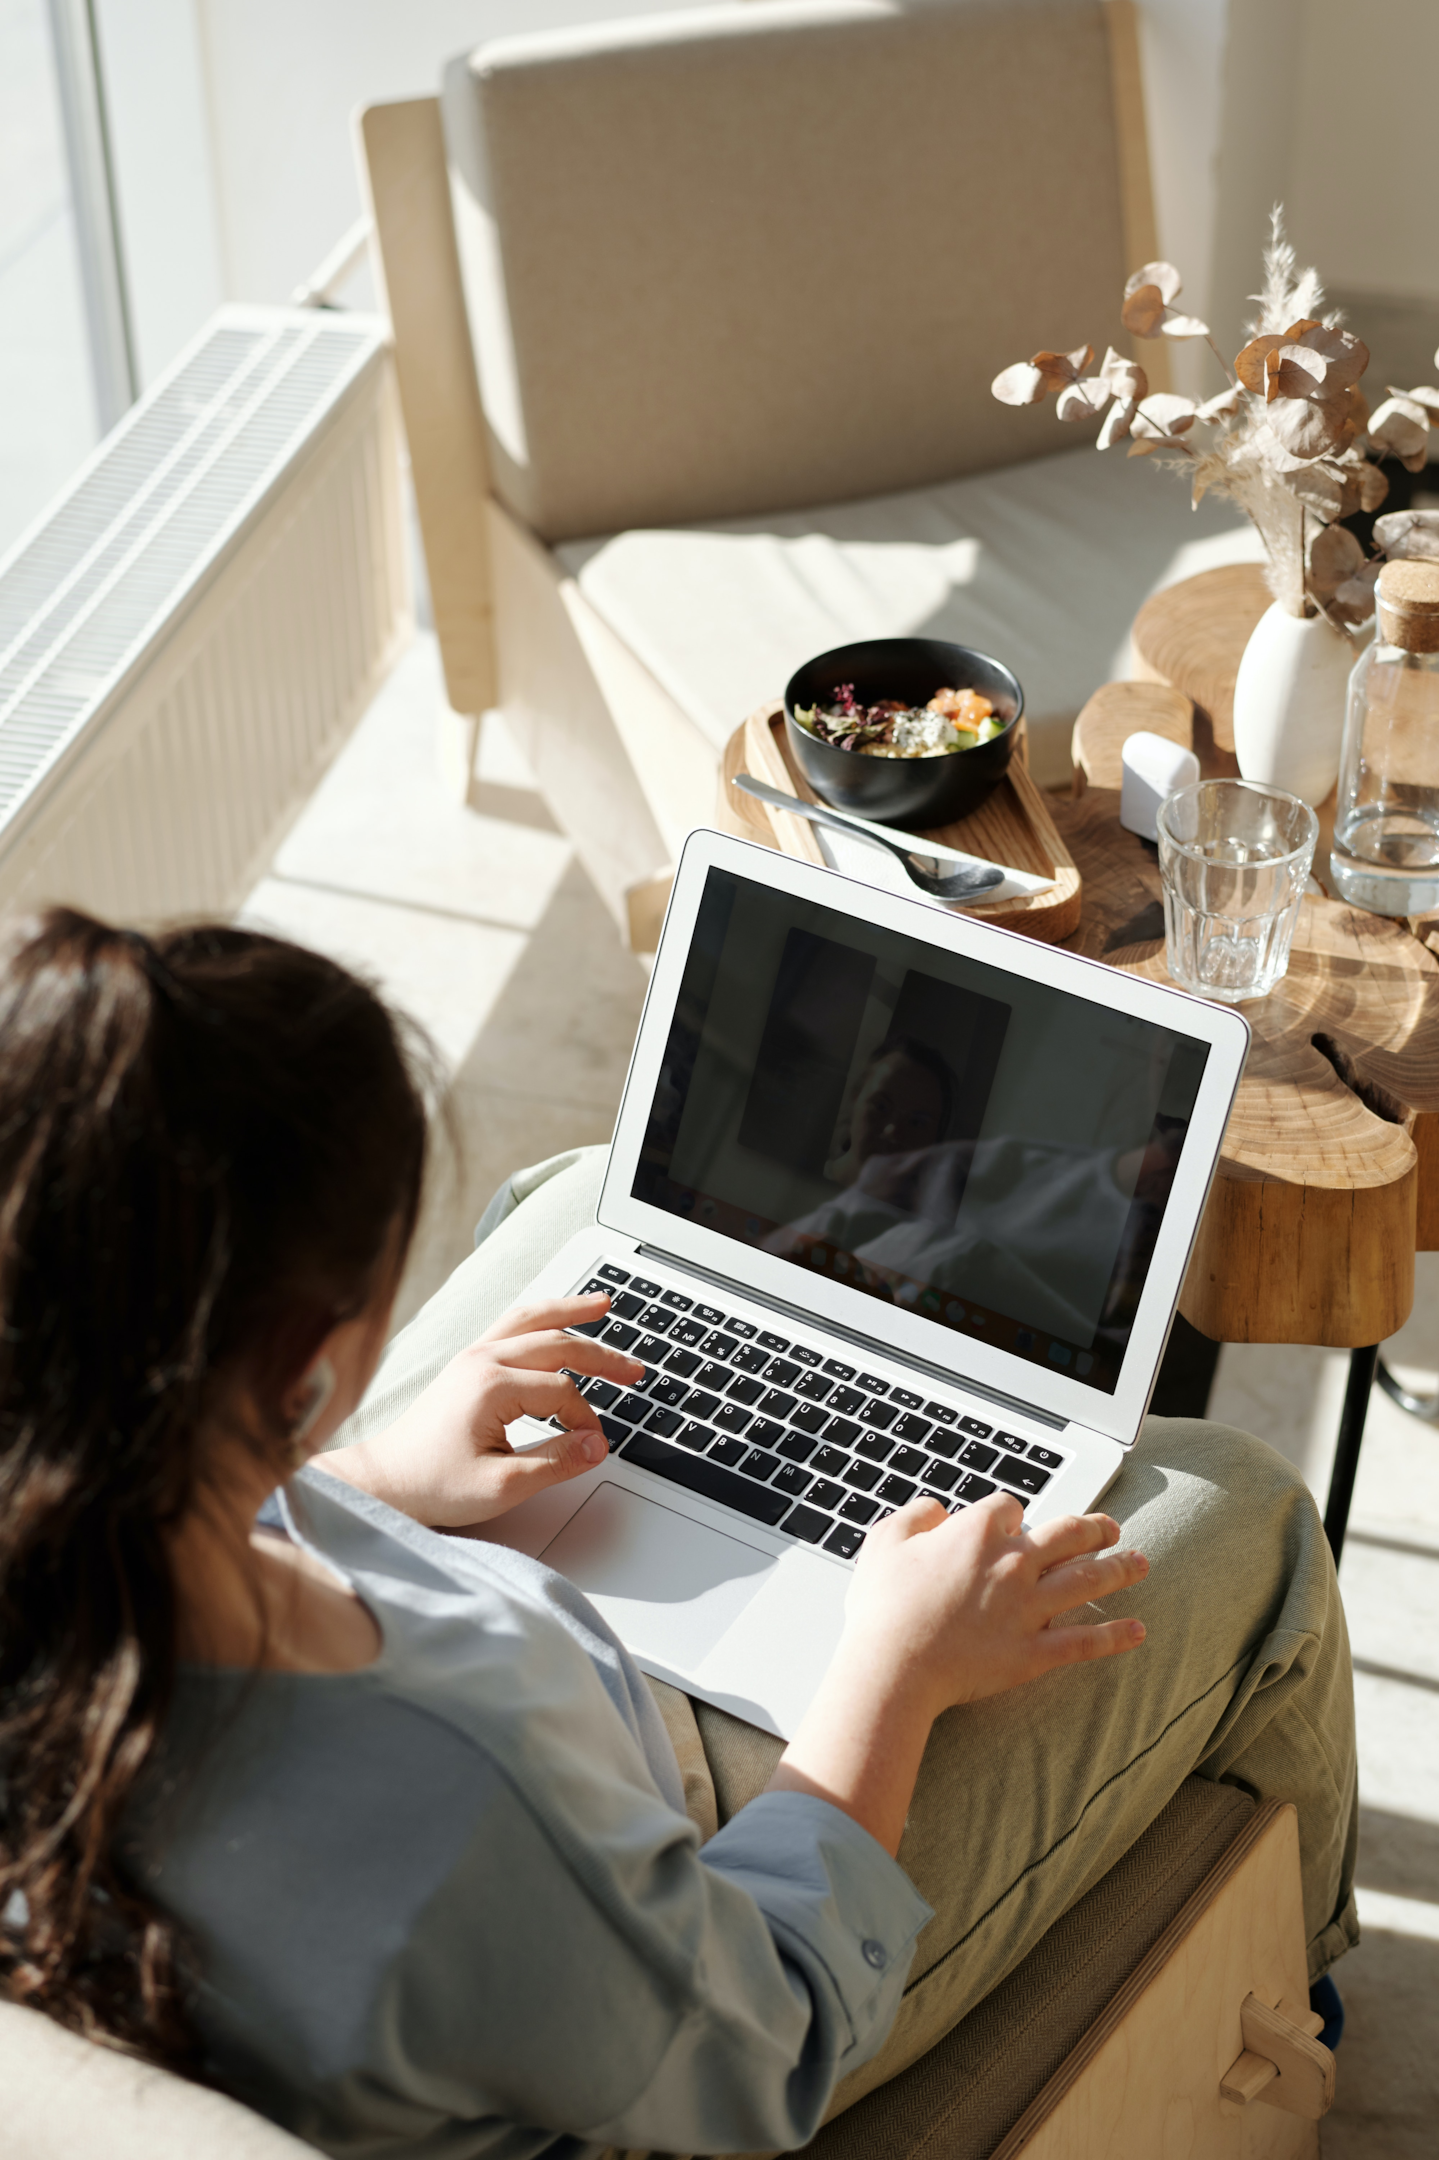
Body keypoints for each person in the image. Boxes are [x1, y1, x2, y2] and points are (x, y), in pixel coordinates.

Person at [0, 910, 1358, 2159]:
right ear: (302, 1356)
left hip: (457, 1848)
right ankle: (1294, 2006)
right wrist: (895, 1668)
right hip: (680, 1976)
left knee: (582, 1190)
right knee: (1246, 1512)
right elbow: (768, 2033)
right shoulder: (460, 1795)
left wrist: (354, 1486)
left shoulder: (70, 1537)